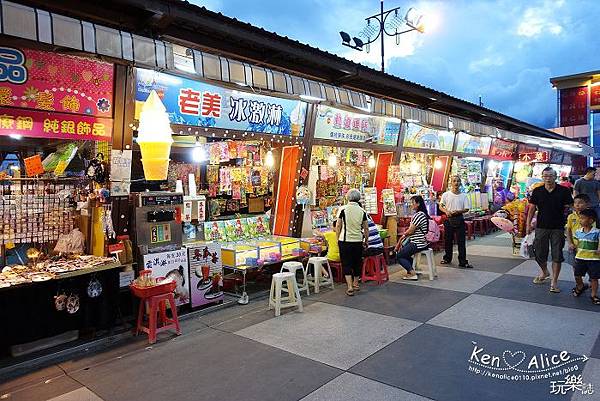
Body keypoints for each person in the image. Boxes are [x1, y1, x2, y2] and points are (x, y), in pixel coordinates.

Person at [527, 166, 573, 293]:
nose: (548, 178)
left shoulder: (563, 191)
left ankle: (554, 282)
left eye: (550, 176)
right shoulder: (537, 191)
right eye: (545, 176)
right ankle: (545, 271)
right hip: (541, 226)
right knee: (539, 253)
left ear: (555, 177)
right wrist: (528, 224)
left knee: (557, 255)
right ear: (542, 177)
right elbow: (531, 208)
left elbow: (572, 206)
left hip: (558, 227)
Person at [335, 189, 369, 296]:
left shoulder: (343, 209)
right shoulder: (362, 211)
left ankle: (349, 286)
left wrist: (337, 238)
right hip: (358, 240)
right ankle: (356, 283)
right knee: (357, 262)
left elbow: (338, 225)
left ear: (348, 197)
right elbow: (366, 228)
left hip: (345, 240)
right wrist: (366, 240)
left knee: (346, 263)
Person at [439, 176, 473, 268]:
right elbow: (441, 206)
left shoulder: (464, 196)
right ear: (451, 182)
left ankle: (462, 261)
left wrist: (457, 212)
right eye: (454, 181)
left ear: (460, 183)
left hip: (459, 219)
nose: (456, 183)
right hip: (448, 219)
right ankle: (447, 258)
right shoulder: (446, 195)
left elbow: (466, 209)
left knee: (461, 241)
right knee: (448, 240)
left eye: (458, 181)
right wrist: (446, 211)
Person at [395, 195, 431, 280]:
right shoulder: (423, 214)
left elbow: (411, 231)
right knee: (405, 254)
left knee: (399, 256)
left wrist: (404, 234)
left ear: (418, 204)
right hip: (422, 242)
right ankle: (412, 269)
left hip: (417, 243)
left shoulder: (418, 215)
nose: (411, 205)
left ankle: (412, 273)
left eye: (413, 203)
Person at [571, 208, 600, 305]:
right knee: (577, 274)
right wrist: (573, 246)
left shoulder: (597, 232)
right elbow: (577, 242)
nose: (580, 220)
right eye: (580, 218)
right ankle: (580, 286)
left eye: (583, 218)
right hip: (580, 257)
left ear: (591, 220)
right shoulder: (578, 232)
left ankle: (593, 295)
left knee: (594, 278)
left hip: (593, 259)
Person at [566, 194, 591, 264]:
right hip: (574, 245)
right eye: (575, 203)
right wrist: (570, 243)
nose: (577, 205)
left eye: (580, 203)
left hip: (587, 246)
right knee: (575, 265)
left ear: (587, 204)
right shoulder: (571, 216)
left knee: (590, 266)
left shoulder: (590, 216)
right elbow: (568, 230)